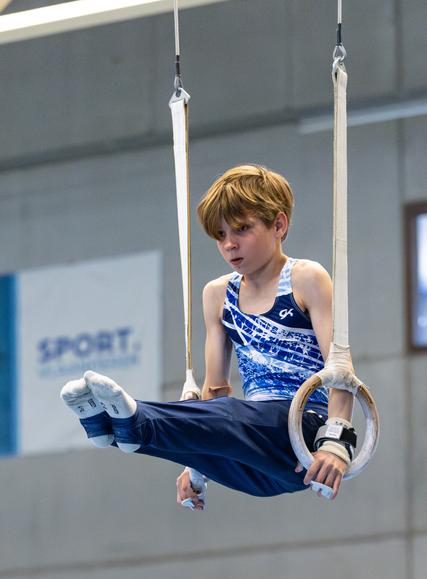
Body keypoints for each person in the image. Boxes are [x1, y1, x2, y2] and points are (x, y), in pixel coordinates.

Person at [61, 165, 356, 508]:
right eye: (219, 235)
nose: (229, 244)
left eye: (242, 229)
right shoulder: (218, 294)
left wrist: (336, 441)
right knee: (213, 417)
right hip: (256, 464)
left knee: (231, 413)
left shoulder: (306, 278)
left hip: (301, 437)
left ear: (279, 224)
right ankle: (112, 429)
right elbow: (215, 391)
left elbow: (339, 368)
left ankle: (138, 419)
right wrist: (195, 467)